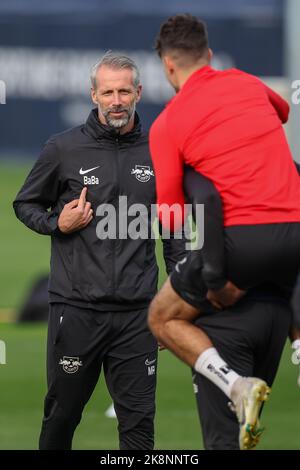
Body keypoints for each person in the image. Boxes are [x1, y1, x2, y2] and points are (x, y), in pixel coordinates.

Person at [13, 52, 186, 450]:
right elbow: (25, 204)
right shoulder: (62, 149)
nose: (117, 100)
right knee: (61, 418)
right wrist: (57, 223)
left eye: (124, 91)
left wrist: (174, 300)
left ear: (139, 93)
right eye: (108, 92)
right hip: (76, 311)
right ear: (94, 95)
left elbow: (174, 231)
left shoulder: (160, 150)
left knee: (139, 428)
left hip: (138, 316)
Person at [147, 14, 300, 449]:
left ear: (168, 66)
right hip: (296, 232)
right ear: (209, 55)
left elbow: (174, 216)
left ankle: (235, 385)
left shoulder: (168, 123)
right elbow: (284, 111)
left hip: (242, 244)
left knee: (160, 316)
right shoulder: (247, 83)